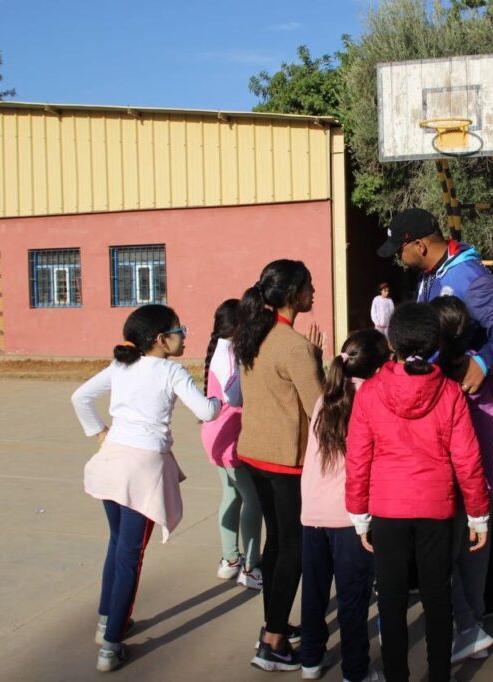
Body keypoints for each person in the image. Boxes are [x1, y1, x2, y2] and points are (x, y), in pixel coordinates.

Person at [377, 208, 493, 616]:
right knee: (456, 492)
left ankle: (487, 596)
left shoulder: (467, 276)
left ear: (420, 245)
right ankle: (479, 589)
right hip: (442, 399)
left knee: (472, 490)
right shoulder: (430, 275)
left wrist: (483, 363)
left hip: (469, 400)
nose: (397, 257)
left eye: (399, 249)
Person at [71, 304, 222, 672]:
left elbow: (80, 397)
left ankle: (108, 622)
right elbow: (206, 412)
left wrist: (99, 432)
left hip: (111, 463)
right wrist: (223, 399)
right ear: (161, 339)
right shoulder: (171, 371)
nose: (184, 336)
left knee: (117, 546)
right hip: (142, 470)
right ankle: (110, 647)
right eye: (179, 330)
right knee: (130, 555)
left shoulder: (122, 366)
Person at [346, 302, 491, 682]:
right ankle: (439, 675)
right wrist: (478, 514)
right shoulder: (450, 393)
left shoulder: (369, 393)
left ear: (391, 343)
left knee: (391, 601)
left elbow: (358, 458)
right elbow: (467, 460)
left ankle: (396, 675)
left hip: (387, 510)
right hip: (436, 510)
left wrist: (358, 514)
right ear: (435, 344)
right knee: (437, 597)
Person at [235, 259, 324, 672]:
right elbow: (319, 409)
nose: (313, 293)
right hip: (285, 460)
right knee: (294, 548)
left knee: (277, 543)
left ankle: (273, 624)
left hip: (255, 454)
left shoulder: (254, 334)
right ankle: (272, 642)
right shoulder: (293, 346)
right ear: (292, 294)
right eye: (308, 286)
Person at [300, 329, 390, 682]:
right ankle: (356, 671)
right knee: (353, 599)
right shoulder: (372, 399)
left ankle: (310, 660)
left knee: (314, 592)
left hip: (312, 512)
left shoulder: (326, 397)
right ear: (379, 367)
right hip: (350, 516)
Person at [429, 296, 493, 662]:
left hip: (444, 481)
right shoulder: (481, 370)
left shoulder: (436, 377)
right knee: (474, 559)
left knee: (443, 560)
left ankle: (466, 627)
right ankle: (474, 625)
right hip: (479, 480)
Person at [200, 299, 263, 589]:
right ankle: (251, 567)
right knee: (252, 499)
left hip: (217, 434)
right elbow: (234, 396)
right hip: (229, 438)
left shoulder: (224, 350)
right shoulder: (228, 355)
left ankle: (230, 559)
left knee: (231, 494)